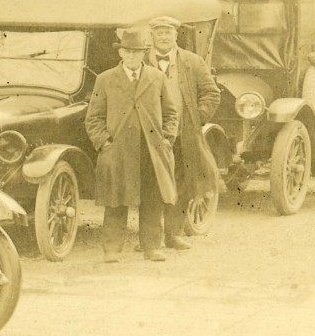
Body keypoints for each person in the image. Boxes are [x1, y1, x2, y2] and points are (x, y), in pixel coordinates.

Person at [83, 25, 180, 262]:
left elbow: (171, 113)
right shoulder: (105, 79)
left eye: (137, 52)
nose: (133, 56)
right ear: (121, 53)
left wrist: (167, 139)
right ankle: (111, 250)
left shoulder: (157, 78)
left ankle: (151, 247)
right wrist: (104, 143)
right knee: (115, 200)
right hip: (118, 150)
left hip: (151, 150)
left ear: (144, 53)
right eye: (128, 51)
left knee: (152, 199)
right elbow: (93, 117)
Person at [148, 16, 220, 249]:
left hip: (182, 135)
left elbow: (211, 93)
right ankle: (149, 238)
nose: (163, 37)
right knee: (150, 184)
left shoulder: (192, 62)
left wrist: (195, 119)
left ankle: (173, 234)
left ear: (176, 35)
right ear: (152, 36)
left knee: (182, 183)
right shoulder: (141, 60)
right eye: (159, 33)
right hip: (149, 136)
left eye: (168, 32)